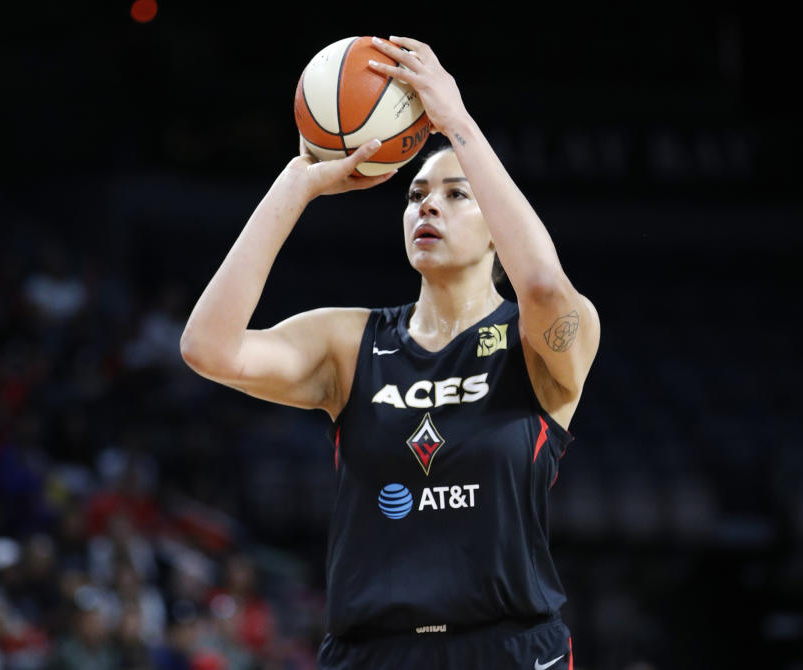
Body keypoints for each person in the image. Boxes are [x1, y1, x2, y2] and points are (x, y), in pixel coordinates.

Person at [180, 35, 600, 670]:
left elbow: (541, 282)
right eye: (414, 194)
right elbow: (207, 348)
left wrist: (457, 122)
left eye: (457, 194)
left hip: (509, 649)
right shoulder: (350, 342)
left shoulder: (542, 338)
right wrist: (297, 183)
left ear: (499, 227)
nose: (427, 203)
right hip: (372, 652)